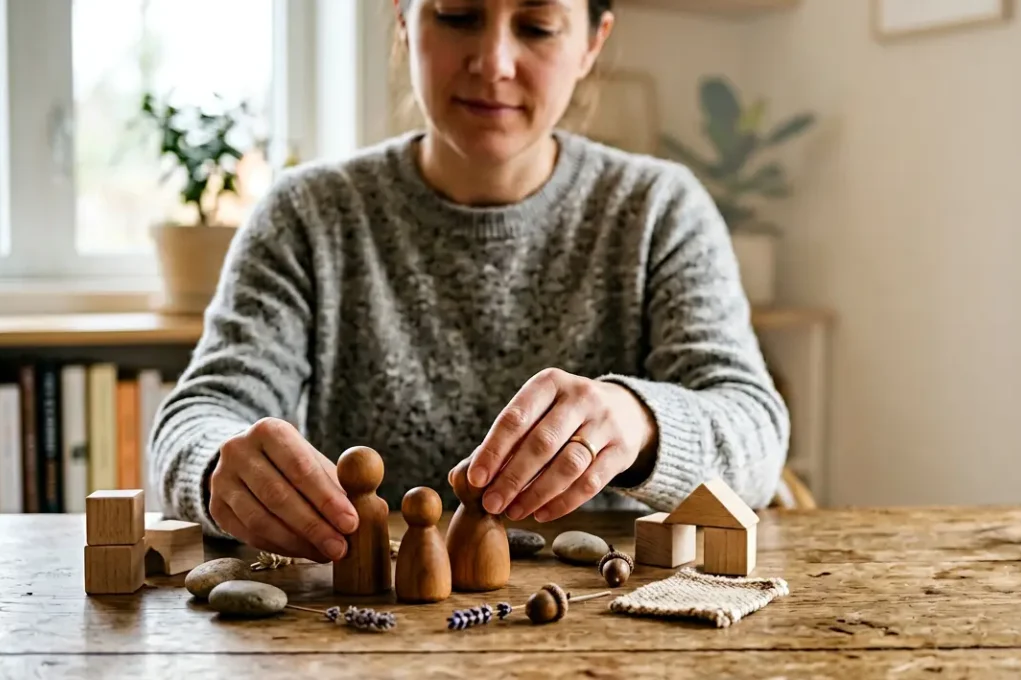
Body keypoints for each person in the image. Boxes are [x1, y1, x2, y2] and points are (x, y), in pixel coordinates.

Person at [151, 0, 789, 565]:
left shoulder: (659, 209)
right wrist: (221, 467)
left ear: (592, 43)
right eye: (457, 16)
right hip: (363, 628)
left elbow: (754, 434)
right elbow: (197, 417)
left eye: (537, 25)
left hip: (606, 620)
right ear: (404, 20)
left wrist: (641, 422)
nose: (493, 62)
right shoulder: (308, 214)